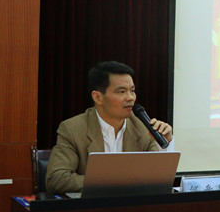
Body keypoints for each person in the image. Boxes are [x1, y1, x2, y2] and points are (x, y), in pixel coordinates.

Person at [45, 61, 174, 194]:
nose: (130, 98)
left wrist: (164, 145)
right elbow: (56, 179)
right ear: (98, 97)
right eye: (122, 91)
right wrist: (115, 183)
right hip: (92, 206)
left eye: (132, 91)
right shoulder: (73, 129)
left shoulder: (143, 128)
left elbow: (159, 181)